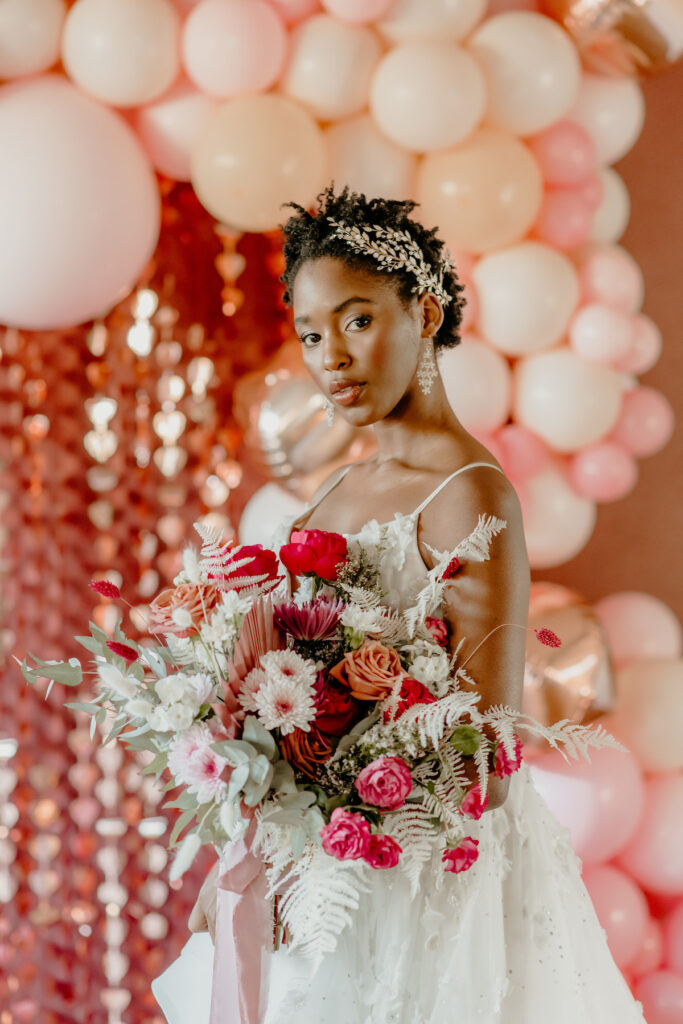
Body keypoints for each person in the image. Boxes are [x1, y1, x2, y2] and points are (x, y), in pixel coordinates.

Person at [152, 184, 646, 1023]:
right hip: (308, 869)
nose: (330, 357)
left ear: (422, 310)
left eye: (355, 319)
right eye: (310, 333)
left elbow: (481, 757)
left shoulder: (467, 491)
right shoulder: (342, 483)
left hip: (405, 881)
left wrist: (315, 831)